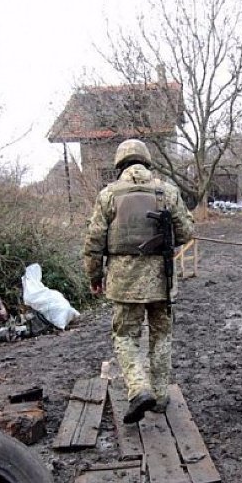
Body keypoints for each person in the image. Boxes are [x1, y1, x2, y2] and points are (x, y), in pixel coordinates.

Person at [83, 138, 194, 424]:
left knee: (125, 336)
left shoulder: (108, 195)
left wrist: (95, 276)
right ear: (146, 162)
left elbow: (94, 242)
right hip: (162, 279)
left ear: (120, 164)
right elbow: (185, 232)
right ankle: (158, 396)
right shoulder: (167, 191)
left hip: (124, 282)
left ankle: (138, 387)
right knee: (161, 335)